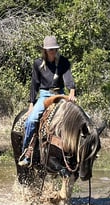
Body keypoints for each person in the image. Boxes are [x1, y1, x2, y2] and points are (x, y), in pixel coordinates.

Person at [18, 36, 76, 167]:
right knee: (31, 120)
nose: (52, 52)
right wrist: (31, 103)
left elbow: (68, 78)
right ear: (45, 50)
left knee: (83, 118)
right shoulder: (38, 63)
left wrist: (72, 91)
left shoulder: (63, 62)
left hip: (60, 95)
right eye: (50, 49)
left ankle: (83, 149)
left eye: (54, 49)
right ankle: (26, 152)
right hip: (44, 96)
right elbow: (34, 84)